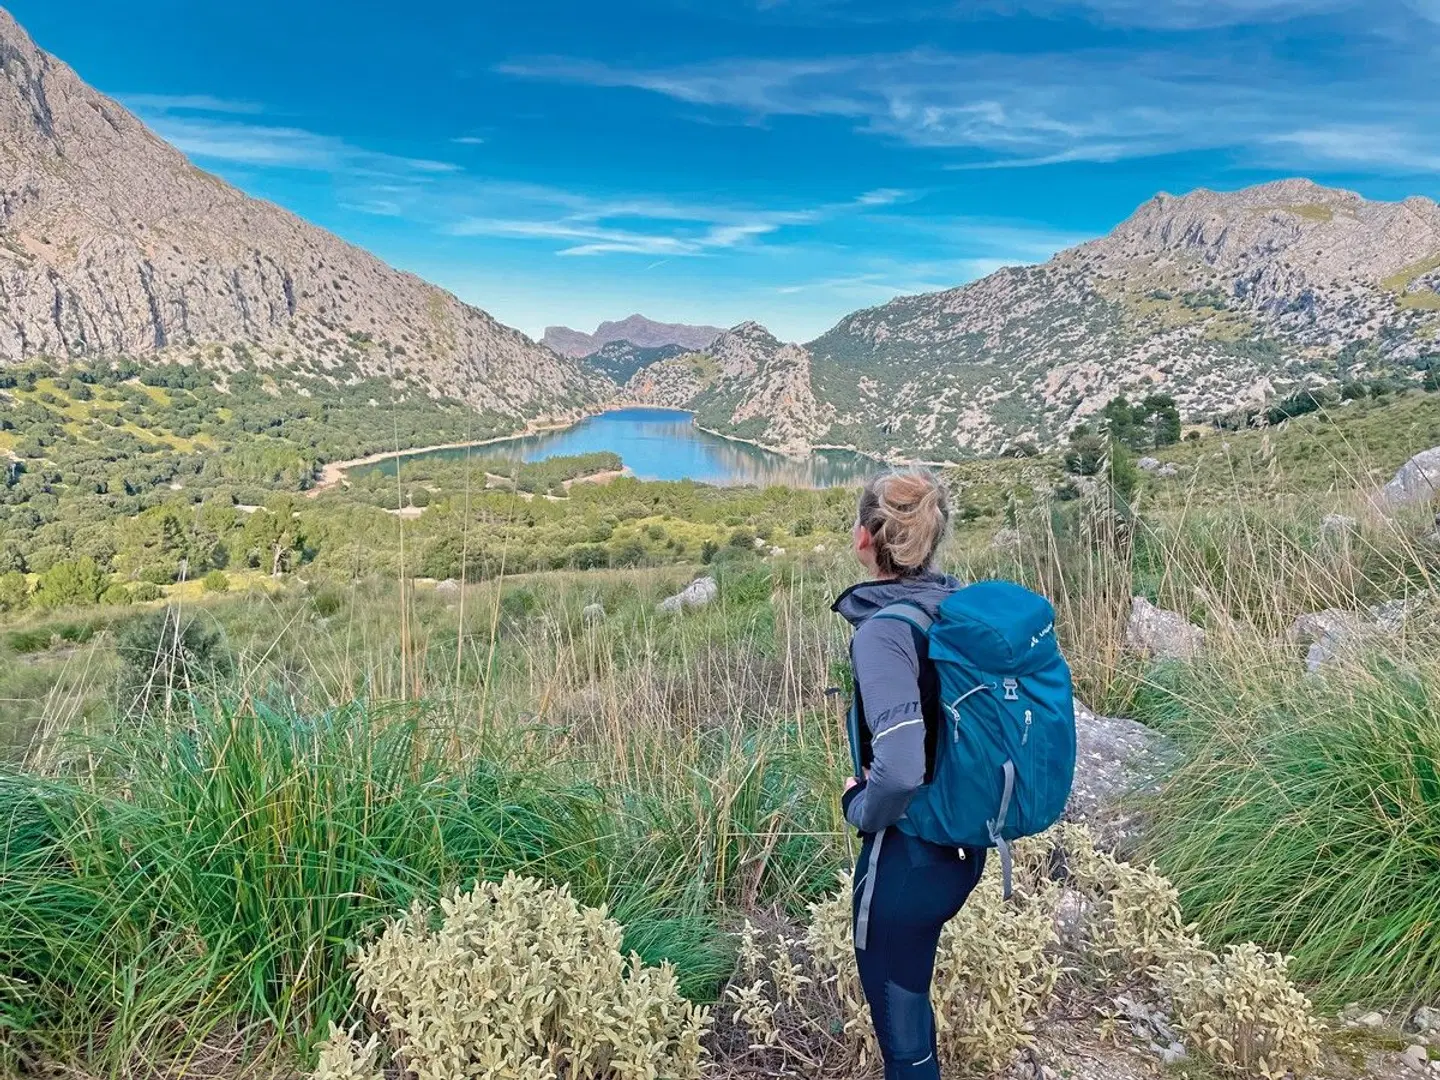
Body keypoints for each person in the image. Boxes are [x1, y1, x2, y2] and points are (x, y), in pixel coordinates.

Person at [832, 468, 986, 1080]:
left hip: (907, 857)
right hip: (961, 846)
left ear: (866, 538)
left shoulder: (883, 633)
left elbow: (896, 770)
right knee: (914, 1015)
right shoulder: (952, 609)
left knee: (905, 1047)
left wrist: (859, 806)